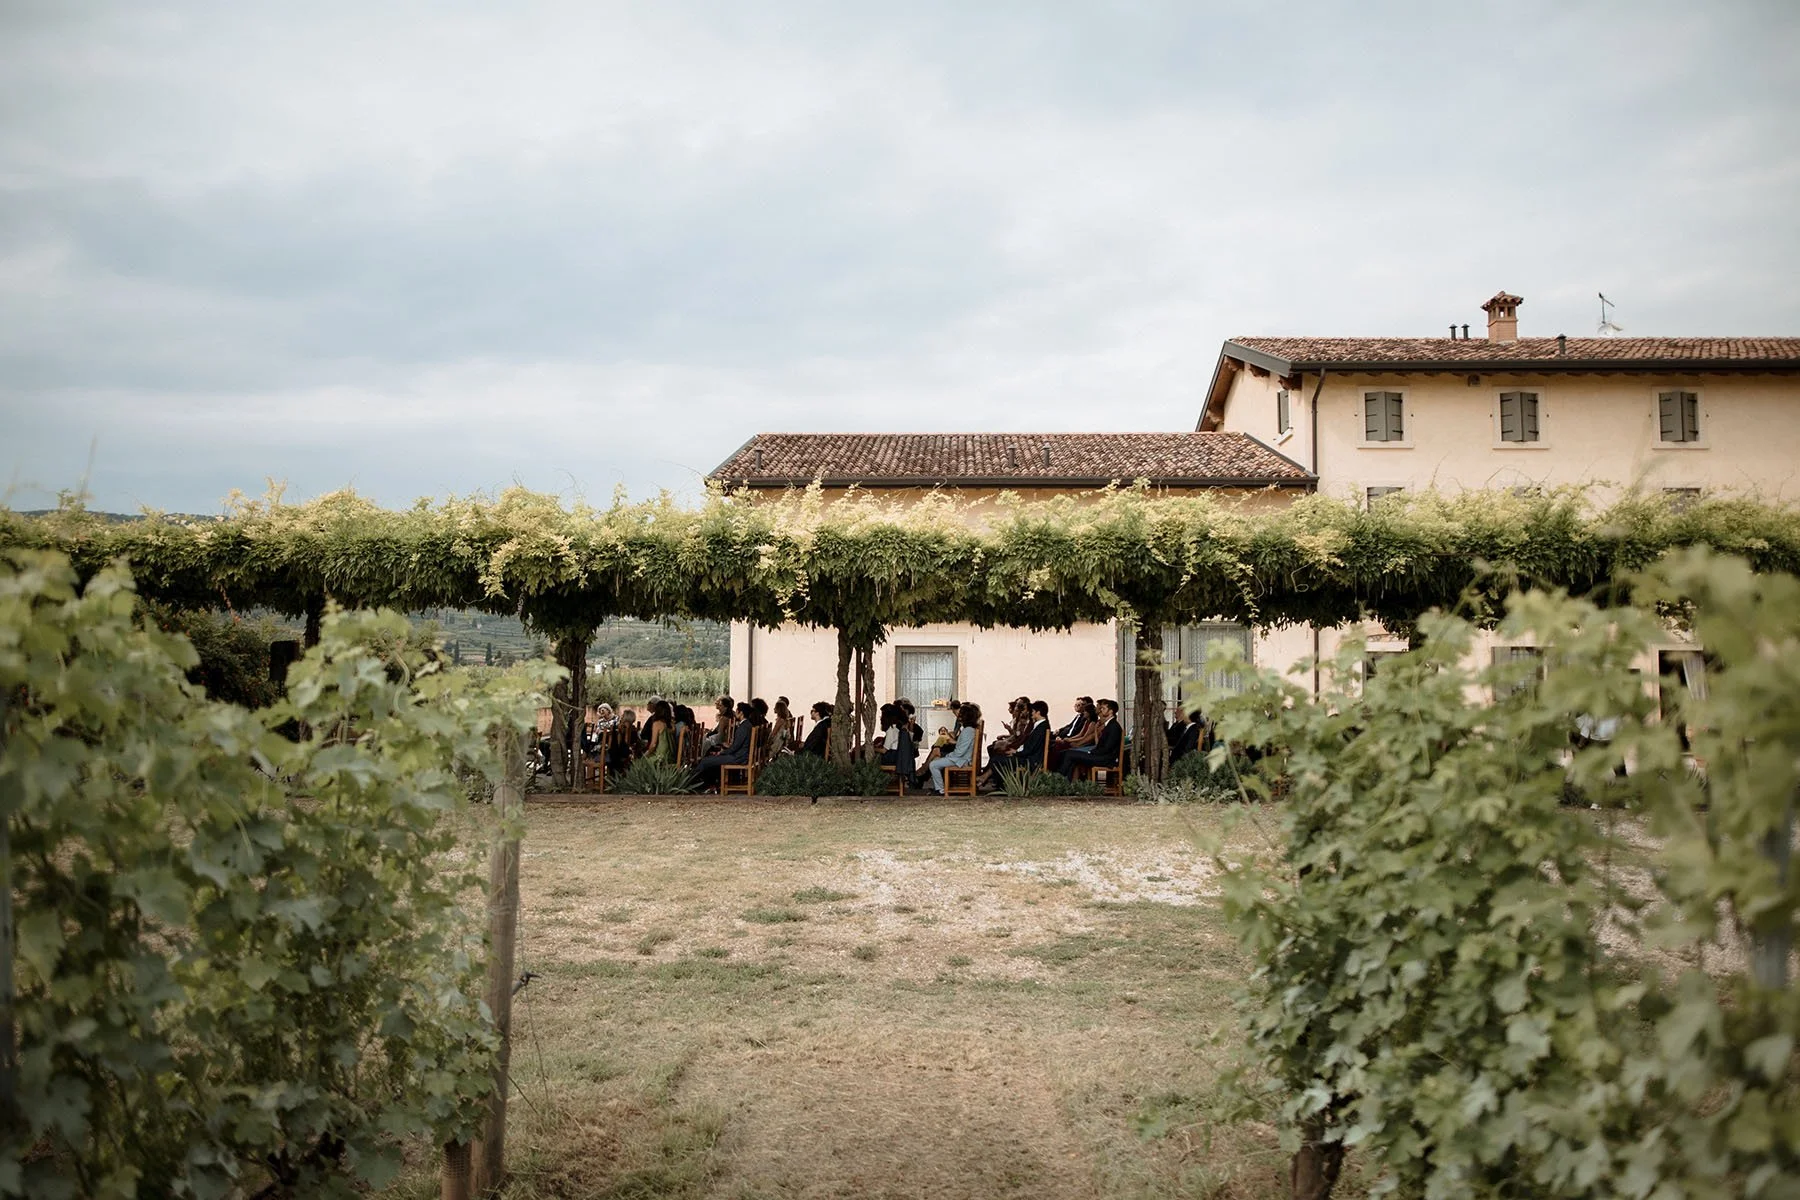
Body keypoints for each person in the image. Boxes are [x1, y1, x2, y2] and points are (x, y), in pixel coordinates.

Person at [695, 701, 757, 790]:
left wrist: (722, 752)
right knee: (710, 759)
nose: (735, 713)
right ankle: (708, 785)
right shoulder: (748, 725)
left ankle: (693, 784)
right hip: (740, 755)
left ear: (741, 713)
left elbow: (735, 747)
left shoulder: (743, 727)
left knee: (705, 761)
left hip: (738, 757)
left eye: (737, 711)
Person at [1060, 699, 1123, 779]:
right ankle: (1067, 784)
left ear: (1111, 711)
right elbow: (1100, 744)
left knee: (1069, 754)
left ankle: (1058, 780)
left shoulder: (1114, 726)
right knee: (1071, 755)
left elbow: (1107, 748)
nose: (1101, 710)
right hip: (1101, 756)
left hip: (1105, 759)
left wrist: (1090, 752)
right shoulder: (1109, 725)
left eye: (1103, 708)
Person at [989, 699, 1052, 780]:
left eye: (1032, 711)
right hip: (1027, 756)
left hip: (1031, 760)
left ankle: (1003, 786)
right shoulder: (1040, 725)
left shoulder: (1041, 727)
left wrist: (1016, 753)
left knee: (997, 760)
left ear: (1038, 712)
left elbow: (1031, 748)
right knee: (998, 757)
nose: (1031, 713)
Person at [927, 702, 981, 794]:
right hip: (961, 758)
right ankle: (940, 787)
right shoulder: (969, 729)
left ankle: (940, 789)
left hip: (962, 760)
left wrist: (947, 755)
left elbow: (959, 752)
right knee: (937, 760)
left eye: (961, 715)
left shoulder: (968, 731)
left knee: (933, 764)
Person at [640, 699, 676, 764]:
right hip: (671, 756)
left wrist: (645, 755)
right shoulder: (672, 724)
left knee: (640, 763)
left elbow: (653, 745)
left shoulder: (657, 724)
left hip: (660, 757)